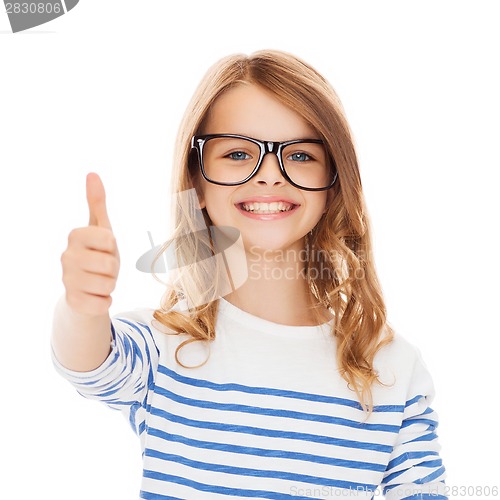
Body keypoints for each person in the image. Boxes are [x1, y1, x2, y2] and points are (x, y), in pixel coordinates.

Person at [52, 50, 447, 499]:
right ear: (196, 181)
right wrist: (81, 306)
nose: (271, 176)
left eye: (300, 155)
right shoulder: (164, 348)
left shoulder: (392, 369)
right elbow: (87, 363)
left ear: (334, 182)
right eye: (239, 153)